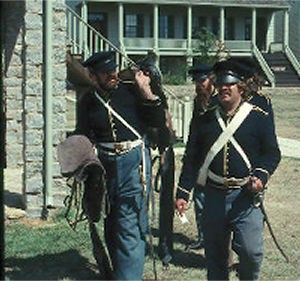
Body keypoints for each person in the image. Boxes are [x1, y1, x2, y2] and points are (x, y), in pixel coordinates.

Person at [175, 59, 281, 280]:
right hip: (213, 194)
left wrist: (261, 176)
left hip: (245, 196)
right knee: (215, 257)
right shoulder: (204, 120)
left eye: (230, 83)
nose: (224, 87)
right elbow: (192, 157)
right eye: (221, 82)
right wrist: (183, 192)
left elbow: (272, 152)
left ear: (240, 86)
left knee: (251, 253)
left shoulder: (258, 116)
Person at [75, 50, 166, 280]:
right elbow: (83, 134)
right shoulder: (88, 101)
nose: (113, 75)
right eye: (106, 73)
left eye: (113, 70)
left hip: (133, 163)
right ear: (93, 76)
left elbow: (156, 121)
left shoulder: (131, 91)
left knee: (128, 227)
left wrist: (146, 90)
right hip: (104, 167)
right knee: (111, 223)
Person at [185, 64, 217, 250]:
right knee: (200, 200)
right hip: (200, 160)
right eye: (197, 81)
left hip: (215, 161)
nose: (199, 85)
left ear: (211, 81)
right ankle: (203, 237)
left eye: (202, 81)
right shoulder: (199, 101)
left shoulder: (218, 101)